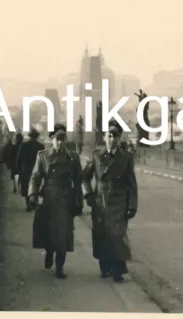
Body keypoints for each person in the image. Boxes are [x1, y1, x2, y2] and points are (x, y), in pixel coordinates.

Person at [82, 119, 138, 283]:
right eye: (109, 136)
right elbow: (85, 177)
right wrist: (89, 195)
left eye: (115, 136)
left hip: (119, 203)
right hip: (100, 201)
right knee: (101, 235)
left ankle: (117, 270)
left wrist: (132, 205)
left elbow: (131, 184)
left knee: (117, 235)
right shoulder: (97, 156)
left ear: (119, 138)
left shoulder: (126, 158)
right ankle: (105, 265)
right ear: (104, 137)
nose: (112, 139)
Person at [28, 124, 84, 279]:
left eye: (63, 139)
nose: (60, 143)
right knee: (48, 231)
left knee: (63, 235)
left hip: (66, 201)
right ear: (51, 140)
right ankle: (49, 252)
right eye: (57, 139)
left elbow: (78, 181)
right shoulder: (43, 156)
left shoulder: (73, 157)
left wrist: (79, 201)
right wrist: (32, 194)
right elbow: (35, 177)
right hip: (48, 199)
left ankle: (60, 267)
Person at [16, 128, 45, 211]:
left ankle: (28, 203)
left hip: (26, 170)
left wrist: (17, 169)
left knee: (25, 187)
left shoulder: (24, 145)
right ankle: (34, 202)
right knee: (36, 185)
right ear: (36, 137)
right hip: (37, 170)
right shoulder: (40, 146)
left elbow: (19, 158)